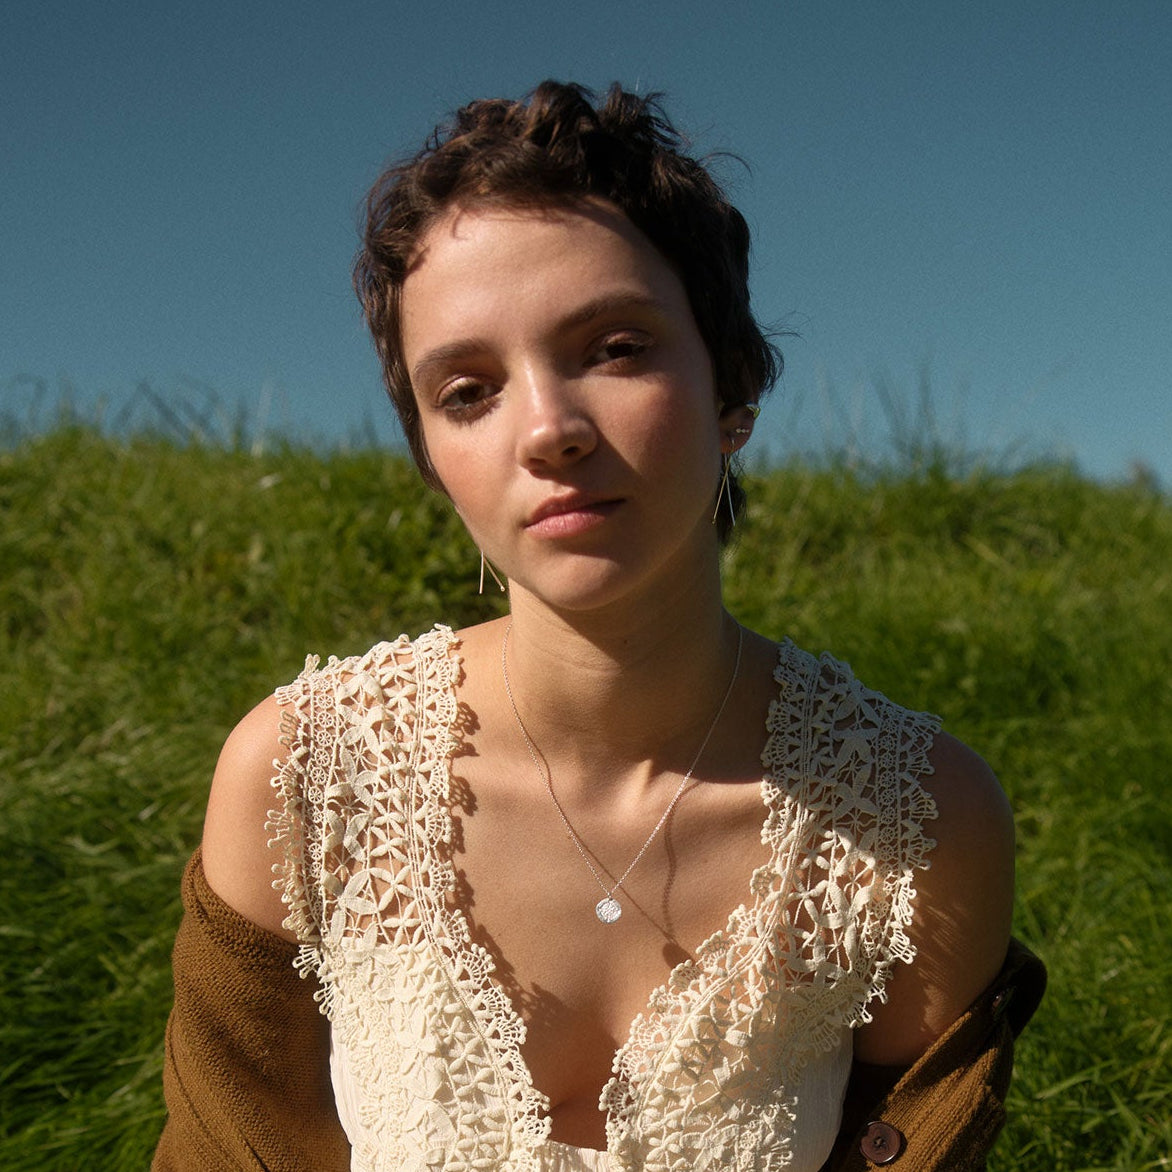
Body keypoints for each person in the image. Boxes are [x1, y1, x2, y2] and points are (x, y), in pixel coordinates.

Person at [153, 82, 1044, 1172]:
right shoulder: (302, 775)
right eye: (469, 389)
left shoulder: (917, 818)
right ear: (432, 455)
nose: (547, 429)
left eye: (614, 347)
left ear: (731, 385)